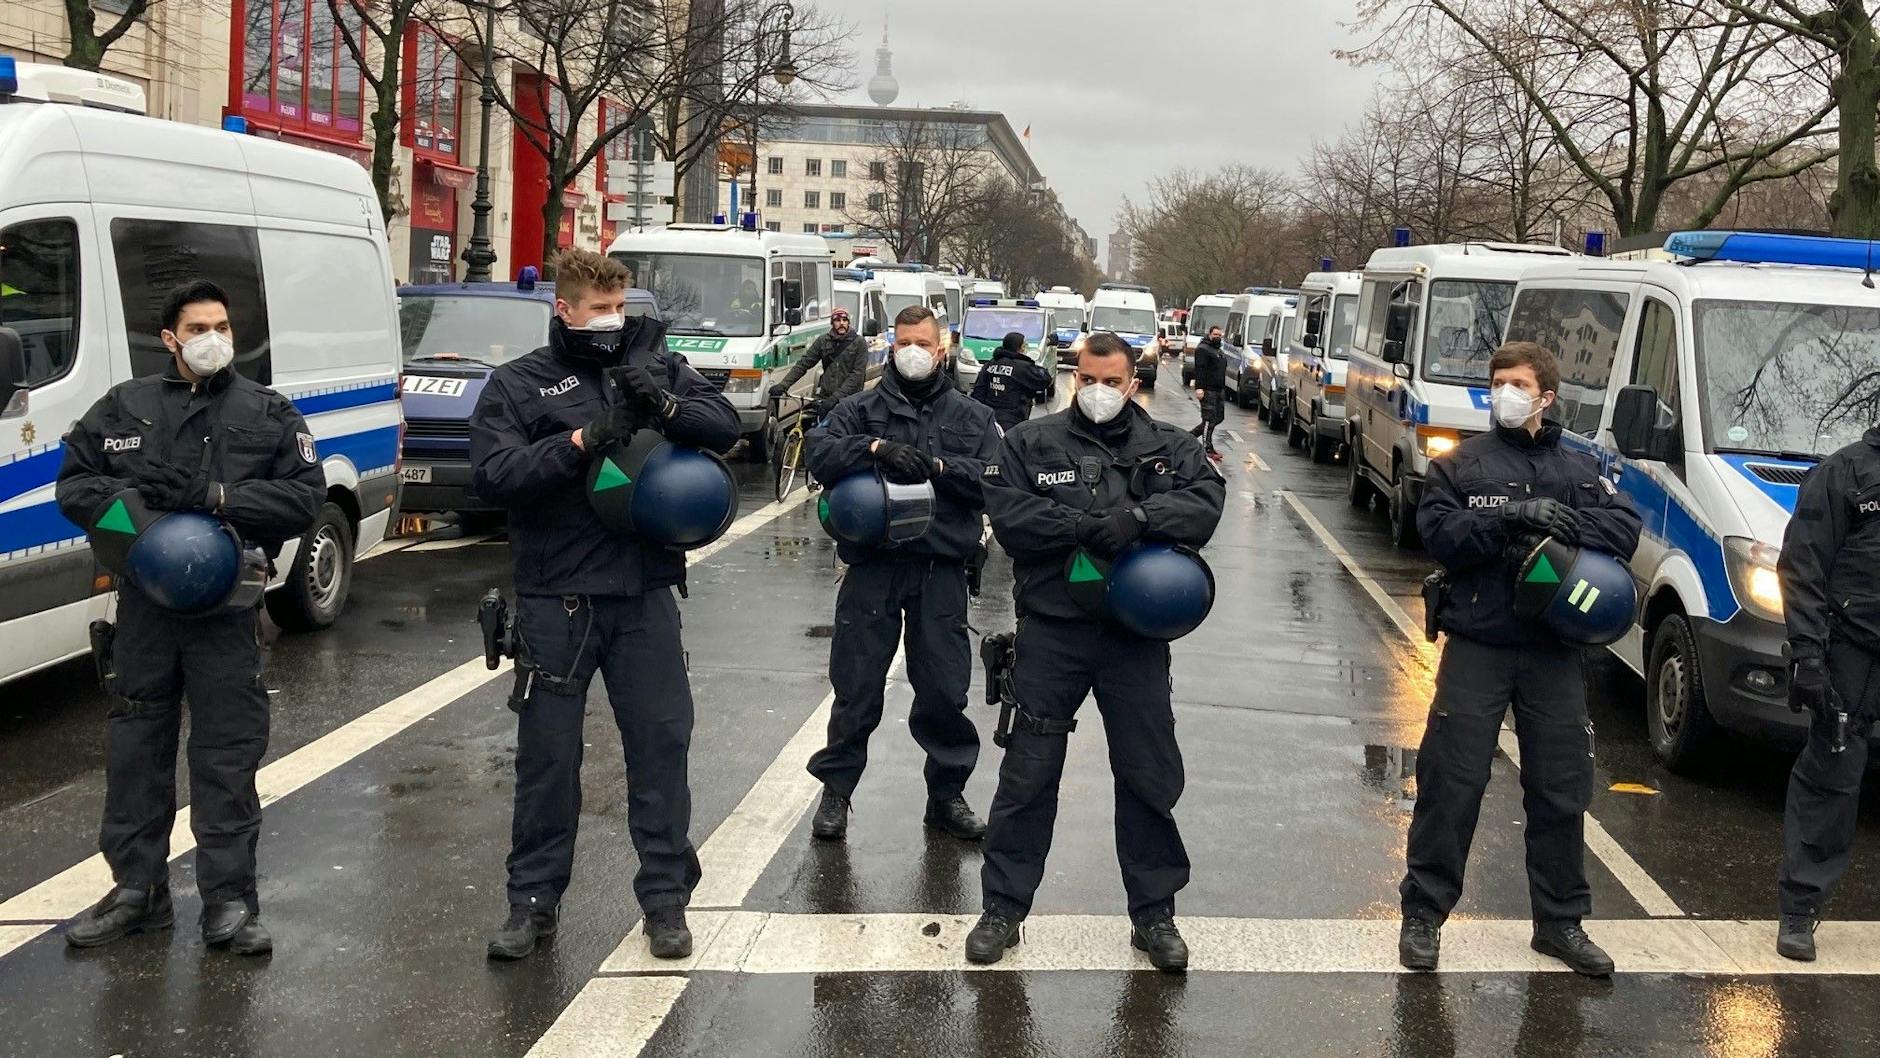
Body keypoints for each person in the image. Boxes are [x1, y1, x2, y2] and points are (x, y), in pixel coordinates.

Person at [469, 249, 739, 962]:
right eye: (599, 310)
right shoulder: (520, 384)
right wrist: (583, 440)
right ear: (565, 310)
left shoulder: (654, 368)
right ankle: (531, 904)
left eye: (621, 308)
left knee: (661, 748)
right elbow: (496, 474)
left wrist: (664, 401)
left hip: (644, 594)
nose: (612, 321)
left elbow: (724, 427)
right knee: (548, 762)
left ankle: (665, 901)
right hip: (556, 597)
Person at [55, 279, 326, 956]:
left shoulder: (266, 412)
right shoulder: (125, 407)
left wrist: (218, 496)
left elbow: (302, 499)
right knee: (135, 749)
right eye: (200, 327)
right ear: (171, 339)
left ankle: (230, 902)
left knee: (227, 753)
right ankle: (135, 892)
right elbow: (75, 485)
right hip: (146, 608)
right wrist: (137, 518)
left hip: (226, 610)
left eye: (224, 326)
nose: (215, 338)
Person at [968, 332, 1225, 973]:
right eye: (1089, 380)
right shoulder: (1032, 442)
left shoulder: (1170, 447)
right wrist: (1081, 527)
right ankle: (1003, 909)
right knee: (1028, 775)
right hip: (1053, 634)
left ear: (1133, 382)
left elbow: (1204, 504)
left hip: (1133, 642)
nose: (1101, 392)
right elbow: (1010, 516)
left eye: (1113, 381)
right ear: (1073, 378)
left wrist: (1138, 521)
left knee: (1148, 775)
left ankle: (1155, 914)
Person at [1397, 341, 1640, 978]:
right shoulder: (1464, 464)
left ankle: (1560, 923)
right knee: (1452, 783)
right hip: (1480, 642)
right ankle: (1423, 914)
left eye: (1518, 383)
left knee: (1560, 788)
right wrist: (1510, 517)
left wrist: (1563, 528)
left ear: (1546, 397)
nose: (1504, 391)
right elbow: (1439, 533)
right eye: (1497, 381)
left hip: (1552, 652)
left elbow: (1624, 529)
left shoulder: (1580, 468)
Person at [803, 304, 1001, 843]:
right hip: (875, 568)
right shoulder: (859, 408)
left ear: (942, 349)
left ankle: (946, 796)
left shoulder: (972, 417)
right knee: (857, 686)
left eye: (924, 343)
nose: (914, 352)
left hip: (941, 570)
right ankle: (836, 794)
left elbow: (995, 480)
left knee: (943, 690)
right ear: (893, 346)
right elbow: (818, 452)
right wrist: (873, 447)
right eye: (904, 342)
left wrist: (939, 468)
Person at [1774, 423, 1880, 961]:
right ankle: (1799, 910)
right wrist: (1809, 658)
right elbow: (1802, 569)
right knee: (1832, 776)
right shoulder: (1845, 472)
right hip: (1851, 649)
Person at [768, 306, 870, 419]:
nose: (841, 323)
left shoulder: (859, 343)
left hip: (850, 401)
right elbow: (804, 364)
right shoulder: (823, 341)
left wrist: (835, 398)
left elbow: (857, 376)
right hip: (826, 398)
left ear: (848, 322)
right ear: (832, 323)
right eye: (837, 320)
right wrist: (783, 385)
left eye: (845, 320)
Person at [971, 331, 1055, 433]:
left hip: (988, 419)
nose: (1025, 348)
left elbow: (978, 392)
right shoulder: (1022, 367)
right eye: (1024, 345)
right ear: (1019, 347)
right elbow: (1045, 379)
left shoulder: (990, 365)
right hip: (1013, 420)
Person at [1189, 326, 1226, 462]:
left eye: (1220, 334)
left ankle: (1190, 437)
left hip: (1219, 390)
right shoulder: (1203, 349)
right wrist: (1199, 388)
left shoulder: (1218, 350)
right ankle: (1207, 448)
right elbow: (1200, 369)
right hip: (1208, 390)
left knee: (1218, 417)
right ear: (1209, 334)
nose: (1217, 336)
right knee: (1209, 419)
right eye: (1215, 334)